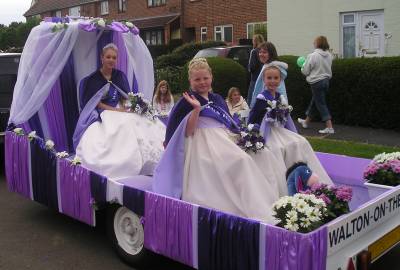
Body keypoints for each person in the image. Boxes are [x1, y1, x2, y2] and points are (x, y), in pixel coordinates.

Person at [153, 58, 287, 224]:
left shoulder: (217, 98)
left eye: (205, 78)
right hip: (203, 144)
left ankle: (273, 202)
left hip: (225, 138)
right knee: (242, 161)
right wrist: (196, 109)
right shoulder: (186, 101)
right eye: (197, 79)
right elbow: (187, 132)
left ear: (211, 77)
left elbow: (229, 123)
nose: (202, 82)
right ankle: (255, 210)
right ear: (190, 81)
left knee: (263, 154)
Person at [73, 43, 165, 180]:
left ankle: (151, 161)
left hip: (121, 108)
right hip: (105, 110)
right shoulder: (93, 79)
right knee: (122, 124)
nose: (111, 60)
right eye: (108, 57)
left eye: (114, 57)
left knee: (141, 119)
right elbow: (96, 103)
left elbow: (126, 96)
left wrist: (131, 108)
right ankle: (124, 163)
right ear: (102, 58)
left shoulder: (120, 75)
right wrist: (118, 111)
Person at [248, 65, 333, 185]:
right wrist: (253, 131)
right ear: (264, 79)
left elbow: (285, 118)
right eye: (269, 78)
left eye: (276, 78)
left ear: (280, 80)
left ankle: (306, 175)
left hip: (279, 130)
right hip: (267, 132)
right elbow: (254, 115)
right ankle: (282, 180)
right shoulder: (262, 98)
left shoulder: (279, 97)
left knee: (300, 141)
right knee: (277, 149)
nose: (272, 81)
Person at [298, 36, 334, 134]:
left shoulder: (313, 55)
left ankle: (330, 127)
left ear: (317, 44)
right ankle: (306, 122)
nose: (313, 43)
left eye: (314, 42)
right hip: (326, 82)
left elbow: (305, 71)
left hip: (316, 82)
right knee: (315, 102)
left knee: (321, 104)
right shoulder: (330, 55)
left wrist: (302, 67)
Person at [250, 42, 288, 107]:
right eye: (260, 52)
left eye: (264, 52)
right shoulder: (268, 66)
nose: (261, 54)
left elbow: (279, 89)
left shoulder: (271, 68)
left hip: (270, 105)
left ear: (271, 54)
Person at [247, 34, 264, 105]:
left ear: (255, 41)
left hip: (255, 78)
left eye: (253, 41)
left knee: (251, 99)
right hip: (263, 78)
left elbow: (252, 67)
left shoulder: (254, 51)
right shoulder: (264, 51)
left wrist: (248, 68)